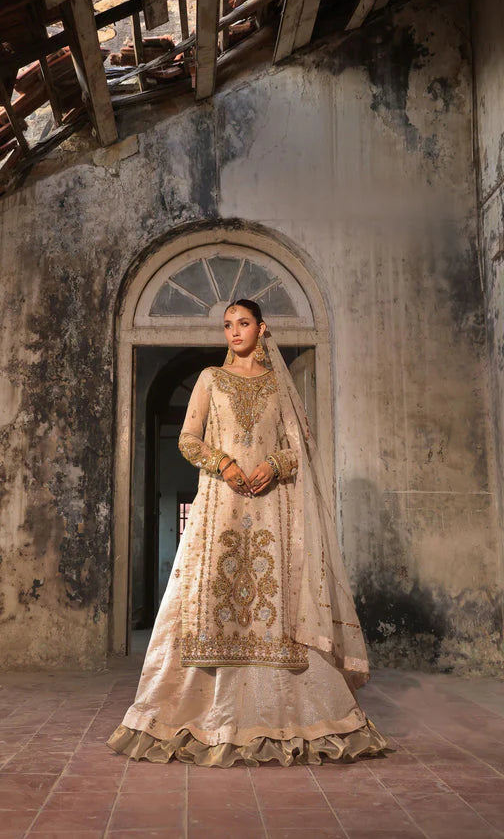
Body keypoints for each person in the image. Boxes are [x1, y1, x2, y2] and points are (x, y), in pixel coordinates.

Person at [107, 299, 393, 766]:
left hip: (271, 509)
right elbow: (188, 439)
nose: (234, 332)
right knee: (211, 594)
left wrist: (274, 465)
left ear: (262, 329)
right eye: (227, 325)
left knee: (272, 596)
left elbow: (300, 447)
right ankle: (202, 715)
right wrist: (223, 462)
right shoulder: (210, 379)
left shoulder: (279, 385)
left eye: (243, 323)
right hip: (219, 505)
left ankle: (291, 716)